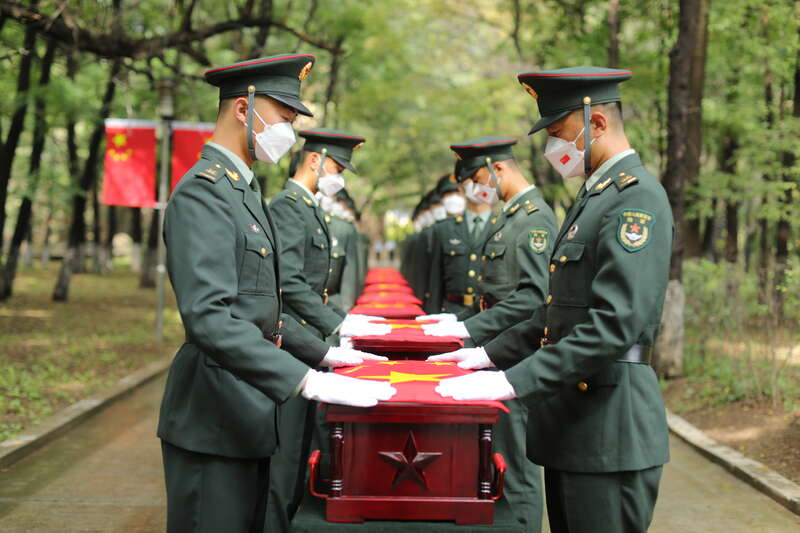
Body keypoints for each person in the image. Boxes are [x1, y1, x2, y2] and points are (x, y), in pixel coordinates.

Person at [157, 54, 393, 533]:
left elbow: (266, 310)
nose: (288, 131)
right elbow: (210, 318)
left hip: (247, 408)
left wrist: (328, 356)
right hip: (213, 413)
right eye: (283, 118)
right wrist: (305, 380)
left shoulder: (243, 191)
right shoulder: (204, 191)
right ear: (243, 109)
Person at [435, 67, 673, 533]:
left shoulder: (635, 198)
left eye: (559, 134)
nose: (553, 149)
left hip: (610, 425)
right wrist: (484, 356)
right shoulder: (594, 197)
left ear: (596, 124)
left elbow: (614, 325)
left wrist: (513, 382)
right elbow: (555, 311)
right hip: (575, 423)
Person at [423, 136, 557, 532]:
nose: (475, 190)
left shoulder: (534, 218)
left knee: (516, 466)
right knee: (494, 460)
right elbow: (493, 294)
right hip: (495, 350)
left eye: (477, 179)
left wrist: (467, 328)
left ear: (497, 169)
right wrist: (454, 325)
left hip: (516, 356)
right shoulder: (509, 216)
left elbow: (533, 298)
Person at [266, 127, 369, 530]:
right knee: (285, 458)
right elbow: (289, 283)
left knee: (300, 452)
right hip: (293, 341)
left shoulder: (308, 206)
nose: (339, 177)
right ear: (314, 160)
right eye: (337, 168)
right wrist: (340, 322)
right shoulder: (288, 206)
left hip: (310, 339)